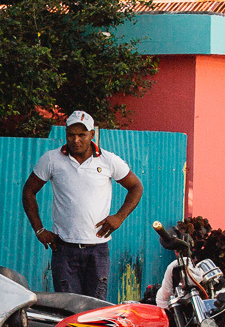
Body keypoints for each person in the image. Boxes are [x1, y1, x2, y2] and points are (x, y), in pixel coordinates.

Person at [22, 111, 143, 299]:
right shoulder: (51, 160)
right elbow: (28, 191)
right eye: (71, 134)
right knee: (68, 308)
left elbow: (136, 187)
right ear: (66, 134)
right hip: (63, 250)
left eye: (82, 135)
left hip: (98, 251)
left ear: (92, 134)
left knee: (95, 309)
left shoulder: (108, 160)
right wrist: (39, 230)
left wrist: (119, 217)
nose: (76, 140)